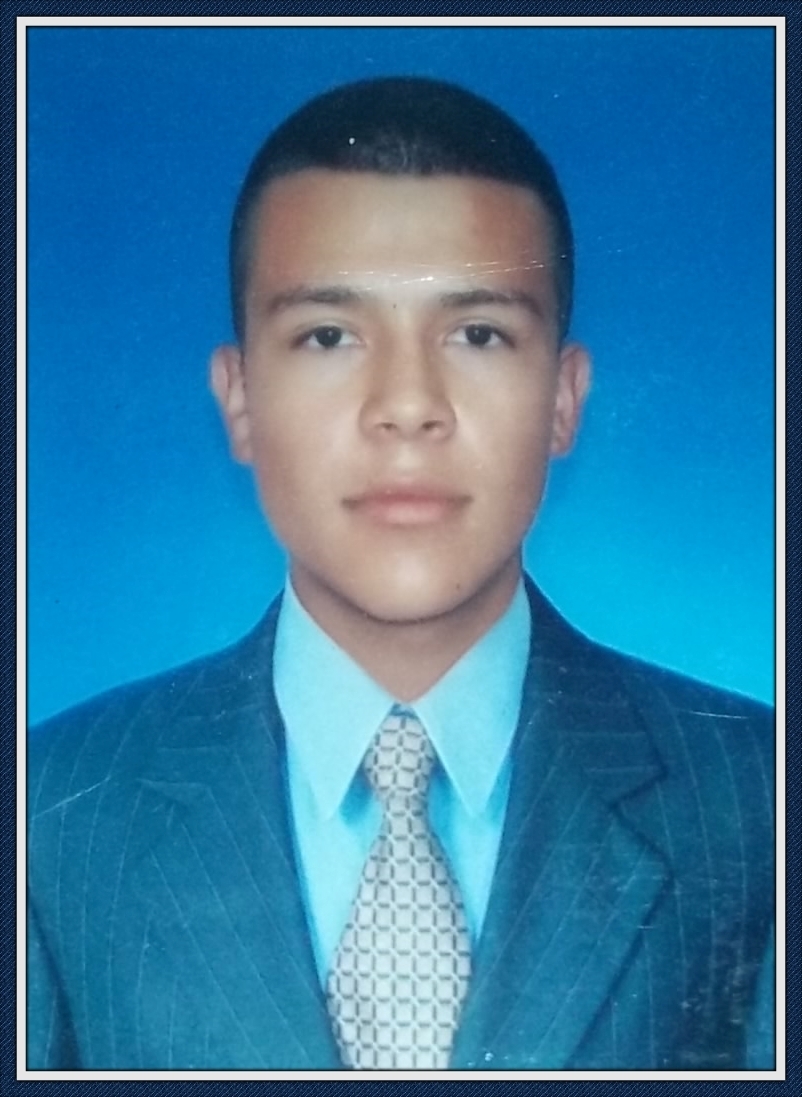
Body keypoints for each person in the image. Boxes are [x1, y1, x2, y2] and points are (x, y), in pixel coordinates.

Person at [27, 76, 774, 1072]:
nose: (409, 405)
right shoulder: (50, 814)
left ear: (563, 399)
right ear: (239, 400)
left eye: (478, 333)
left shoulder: (757, 798)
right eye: (329, 335)